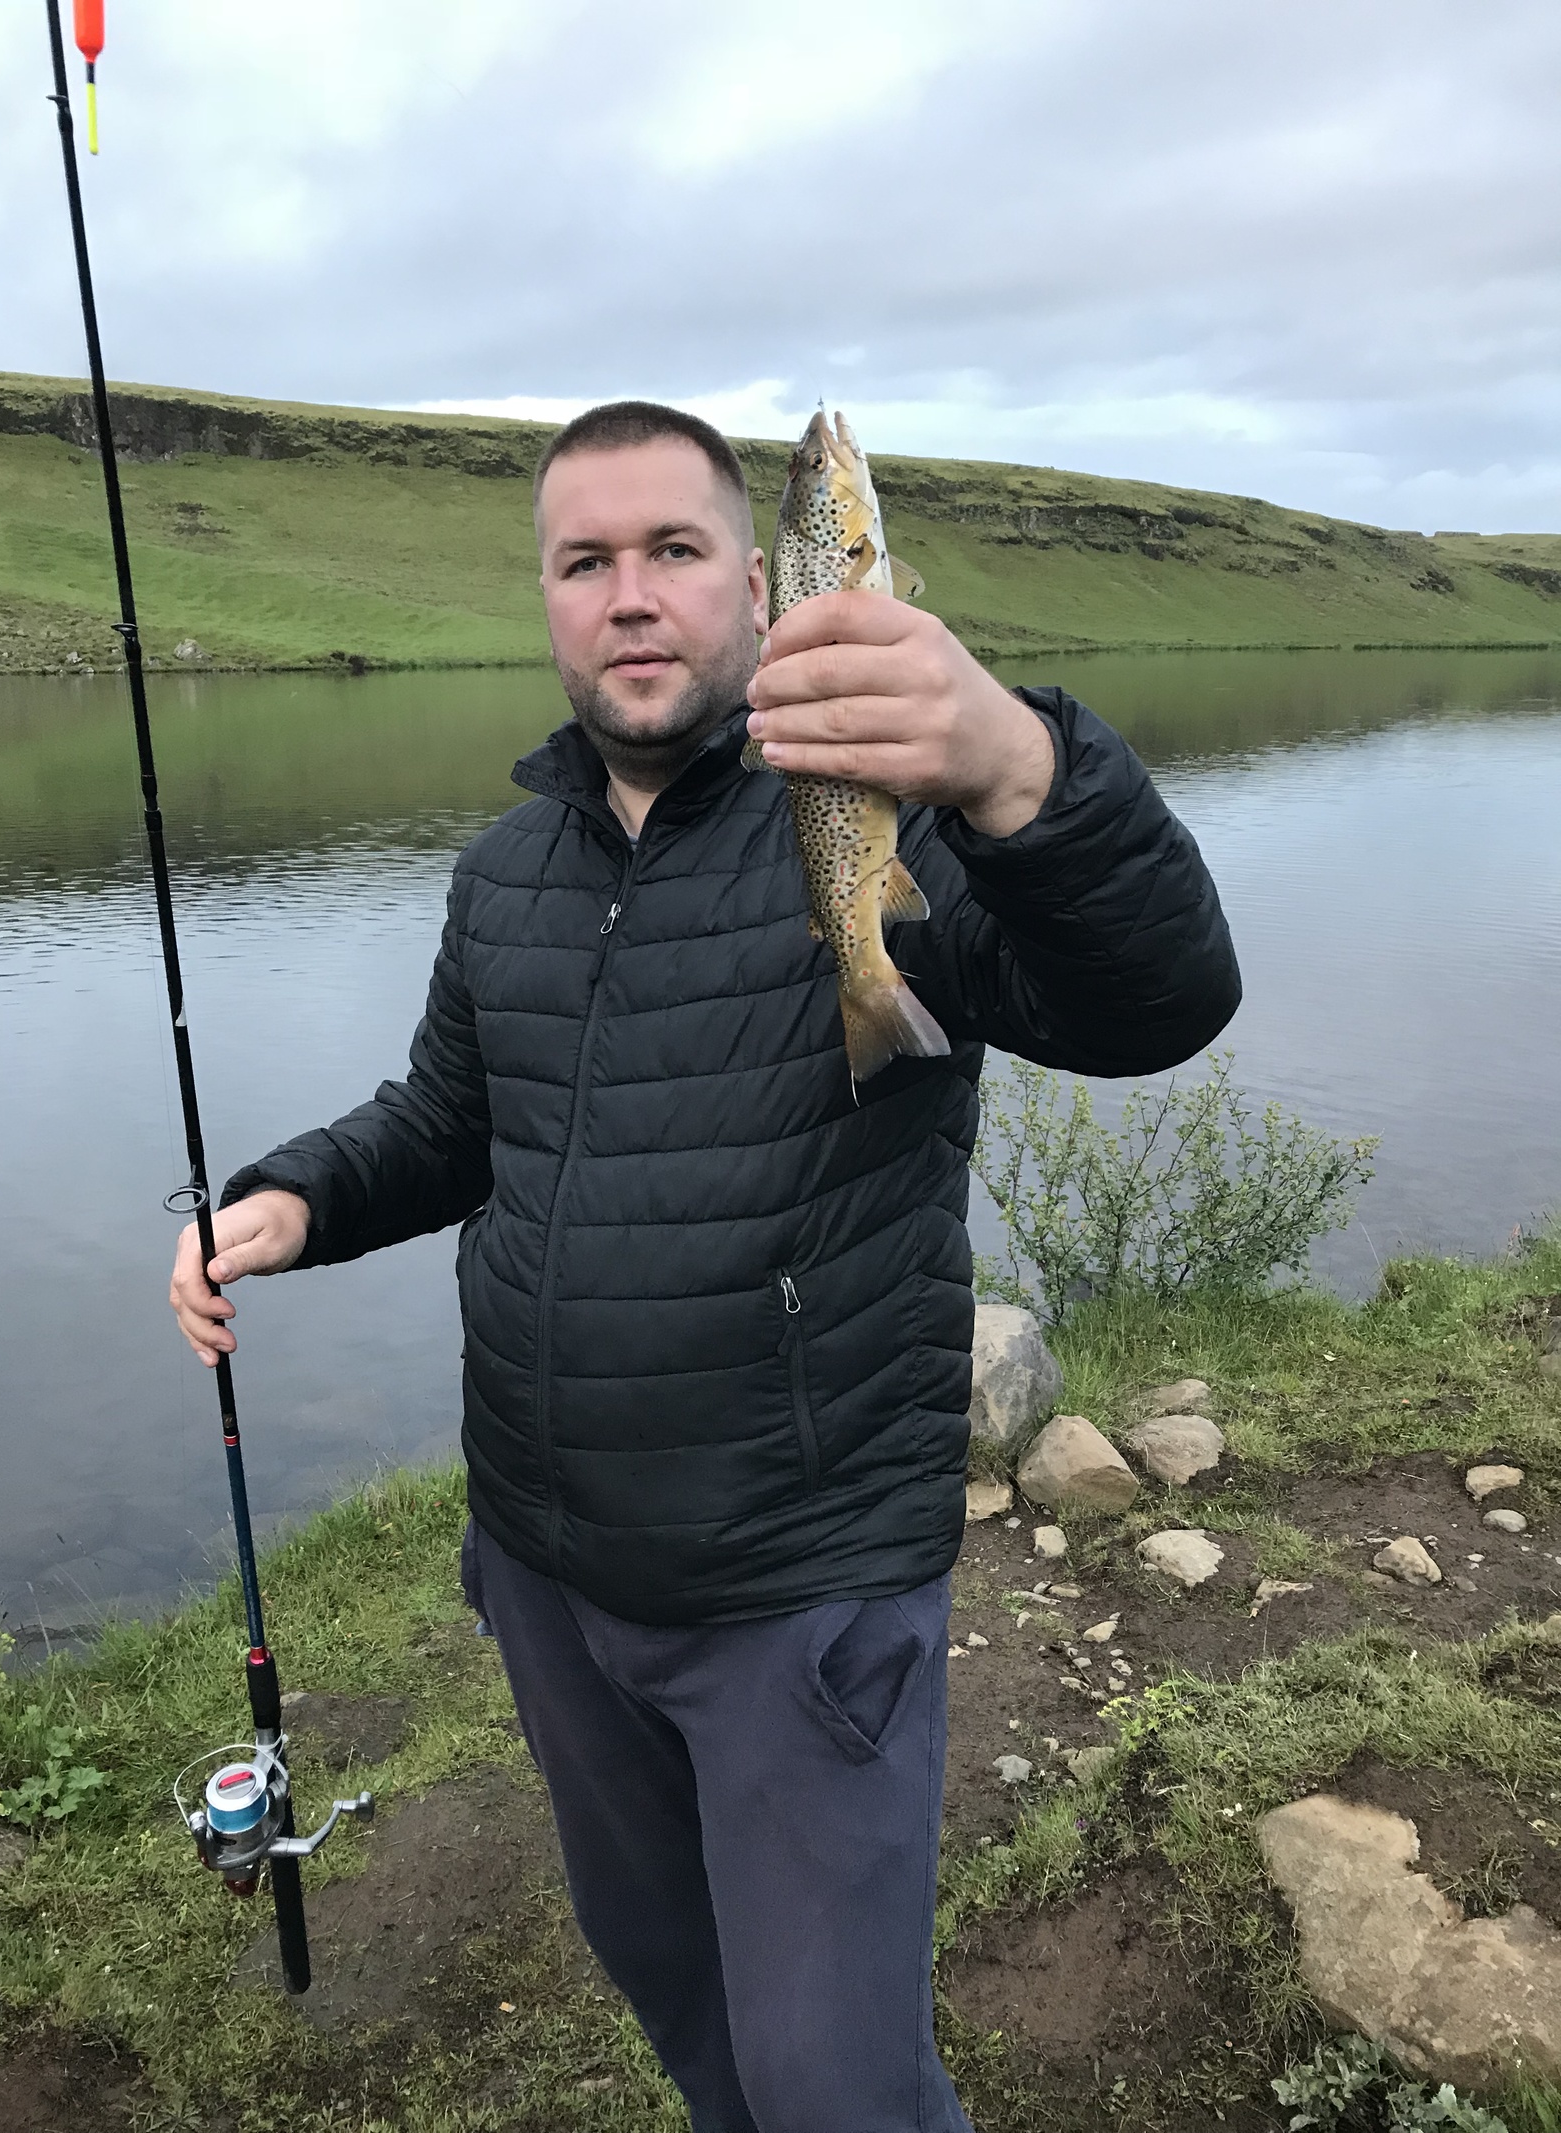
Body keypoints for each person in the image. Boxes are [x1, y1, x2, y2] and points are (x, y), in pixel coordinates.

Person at [169, 400, 1240, 2133]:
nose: (630, 594)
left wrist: (1013, 765)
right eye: (585, 561)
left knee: (835, 2083)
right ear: (546, 598)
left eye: (673, 549)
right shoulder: (505, 871)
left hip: (799, 1590)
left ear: (763, 584)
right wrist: (295, 1196)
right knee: (677, 1990)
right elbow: (453, 1116)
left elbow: (1162, 999)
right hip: (551, 1572)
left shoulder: (882, 816)